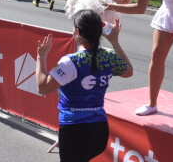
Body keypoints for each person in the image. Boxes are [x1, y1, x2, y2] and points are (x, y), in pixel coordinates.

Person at [35, 10, 133, 161]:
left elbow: (43, 87)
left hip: (75, 130)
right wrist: (114, 41)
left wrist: (41, 57)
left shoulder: (70, 62)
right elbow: (128, 71)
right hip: (100, 130)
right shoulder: (108, 57)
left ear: (77, 31)